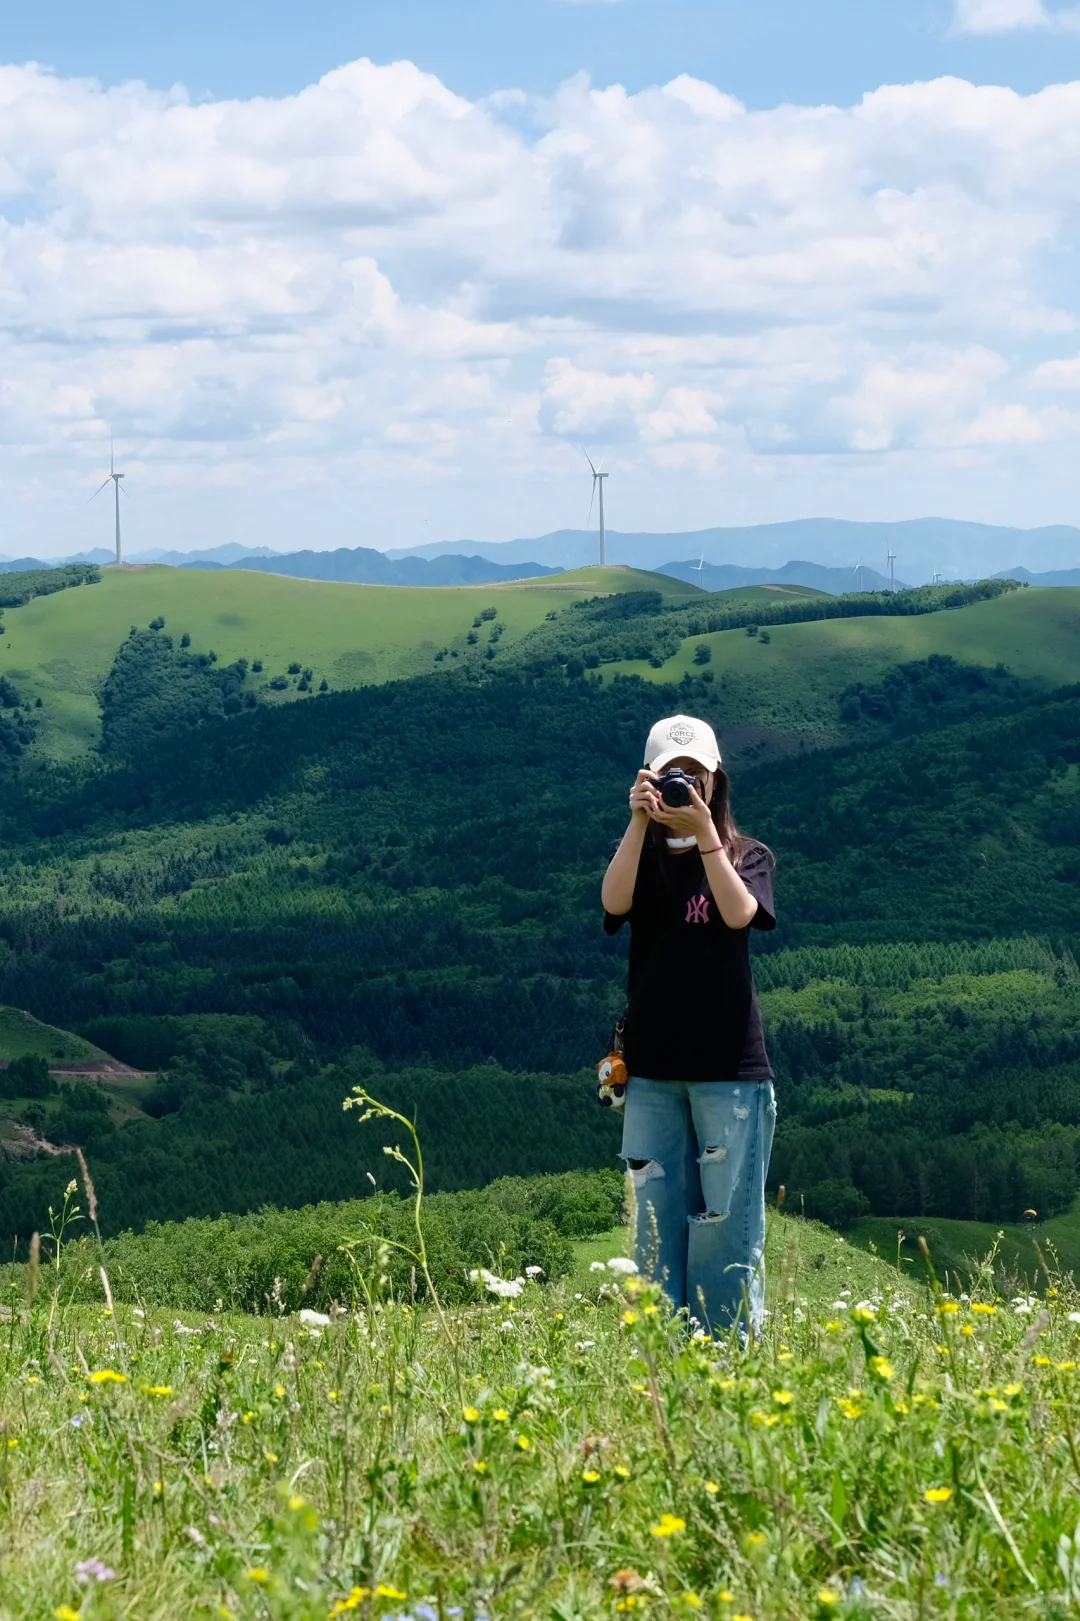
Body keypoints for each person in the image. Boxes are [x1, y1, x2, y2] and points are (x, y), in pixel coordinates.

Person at [601, 713, 776, 1337]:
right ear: (648, 779)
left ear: (715, 780)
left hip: (728, 1071)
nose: (683, 784)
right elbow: (613, 902)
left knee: (725, 1224)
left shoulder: (747, 855)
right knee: (654, 1224)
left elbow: (738, 914)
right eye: (669, 775)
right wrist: (638, 821)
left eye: (694, 774)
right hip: (652, 1071)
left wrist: (705, 834)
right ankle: (663, 1358)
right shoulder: (640, 854)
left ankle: (726, 1357)